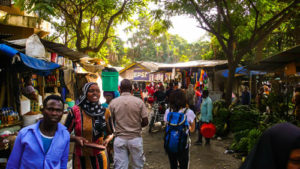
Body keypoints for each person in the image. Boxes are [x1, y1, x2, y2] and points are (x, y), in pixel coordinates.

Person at [6, 95, 70, 169]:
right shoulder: (24, 134)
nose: (54, 113)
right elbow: (13, 164)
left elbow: (63, 163)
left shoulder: (65, 135)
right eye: (50, 109)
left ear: (62, 113)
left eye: (58, 110)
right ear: (42, 110)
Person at [65, 82, 114, 169]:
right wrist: (76, 138)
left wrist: (107, 140)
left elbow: (112, 133)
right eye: (91, 91)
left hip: (99, 156)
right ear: (85, 93)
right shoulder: (75, 111)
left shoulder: (105, 112)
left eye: (97, 91)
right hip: (80, 157)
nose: (95, 93)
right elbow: (63, 134)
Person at [109, 79, 148, 169]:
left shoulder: (114, 102)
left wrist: (113, 131)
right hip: (135, 139)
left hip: (120, 139)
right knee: (138, 166)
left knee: (120, 166)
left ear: (120, 89)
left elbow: (110, 121)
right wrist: (136, 125)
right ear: (131, 90)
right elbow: (145, 122)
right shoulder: (139, 102)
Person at [163, 89, 195, 169]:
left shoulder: (168, 111)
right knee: (183, 166)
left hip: (170, 143)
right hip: (183, 145)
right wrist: (185, 129)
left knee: (173, 166)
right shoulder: (189, 112)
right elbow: (193, 129)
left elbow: (166, 124)